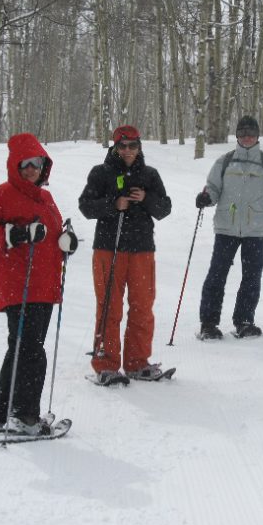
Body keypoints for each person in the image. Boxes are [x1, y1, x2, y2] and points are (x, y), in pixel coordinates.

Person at [0, 133, 77, 435]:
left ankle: (0, 413)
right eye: (26, 163)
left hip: (45, 286)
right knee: (31, 351)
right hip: (19, 286)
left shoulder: (46, 198)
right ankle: (24, 416)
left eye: (37, 163)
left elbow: (52, 237)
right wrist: (11, 234)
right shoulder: (2, 194)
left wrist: (66, 243)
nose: (32, 169)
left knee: (19, 350)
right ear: (15, 165)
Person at [79, 125, 172, 385]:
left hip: (142, 250)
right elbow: (85, 206)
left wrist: (146, 198)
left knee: (142, 306)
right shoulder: (101, 173)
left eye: (133, 145)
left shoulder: (150, 175)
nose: (128, 150)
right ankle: (106, 363)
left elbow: (164, 208)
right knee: (110, 305)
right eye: (123, 146)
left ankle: (137, 362)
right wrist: (113, 204)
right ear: (115, 147)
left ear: (140, 146)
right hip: (109, 248)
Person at [195, 115, 263, 339]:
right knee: (217, 275)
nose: (247, 138)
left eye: (251, 133)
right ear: (236, 136)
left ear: (258, 136)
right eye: (242, 133)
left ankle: (245, 321)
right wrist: (205, 199)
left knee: (251, 277)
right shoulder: (225, 161)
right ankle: (208, 323)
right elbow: (213, 189)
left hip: (256, 230)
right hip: (226, 228)